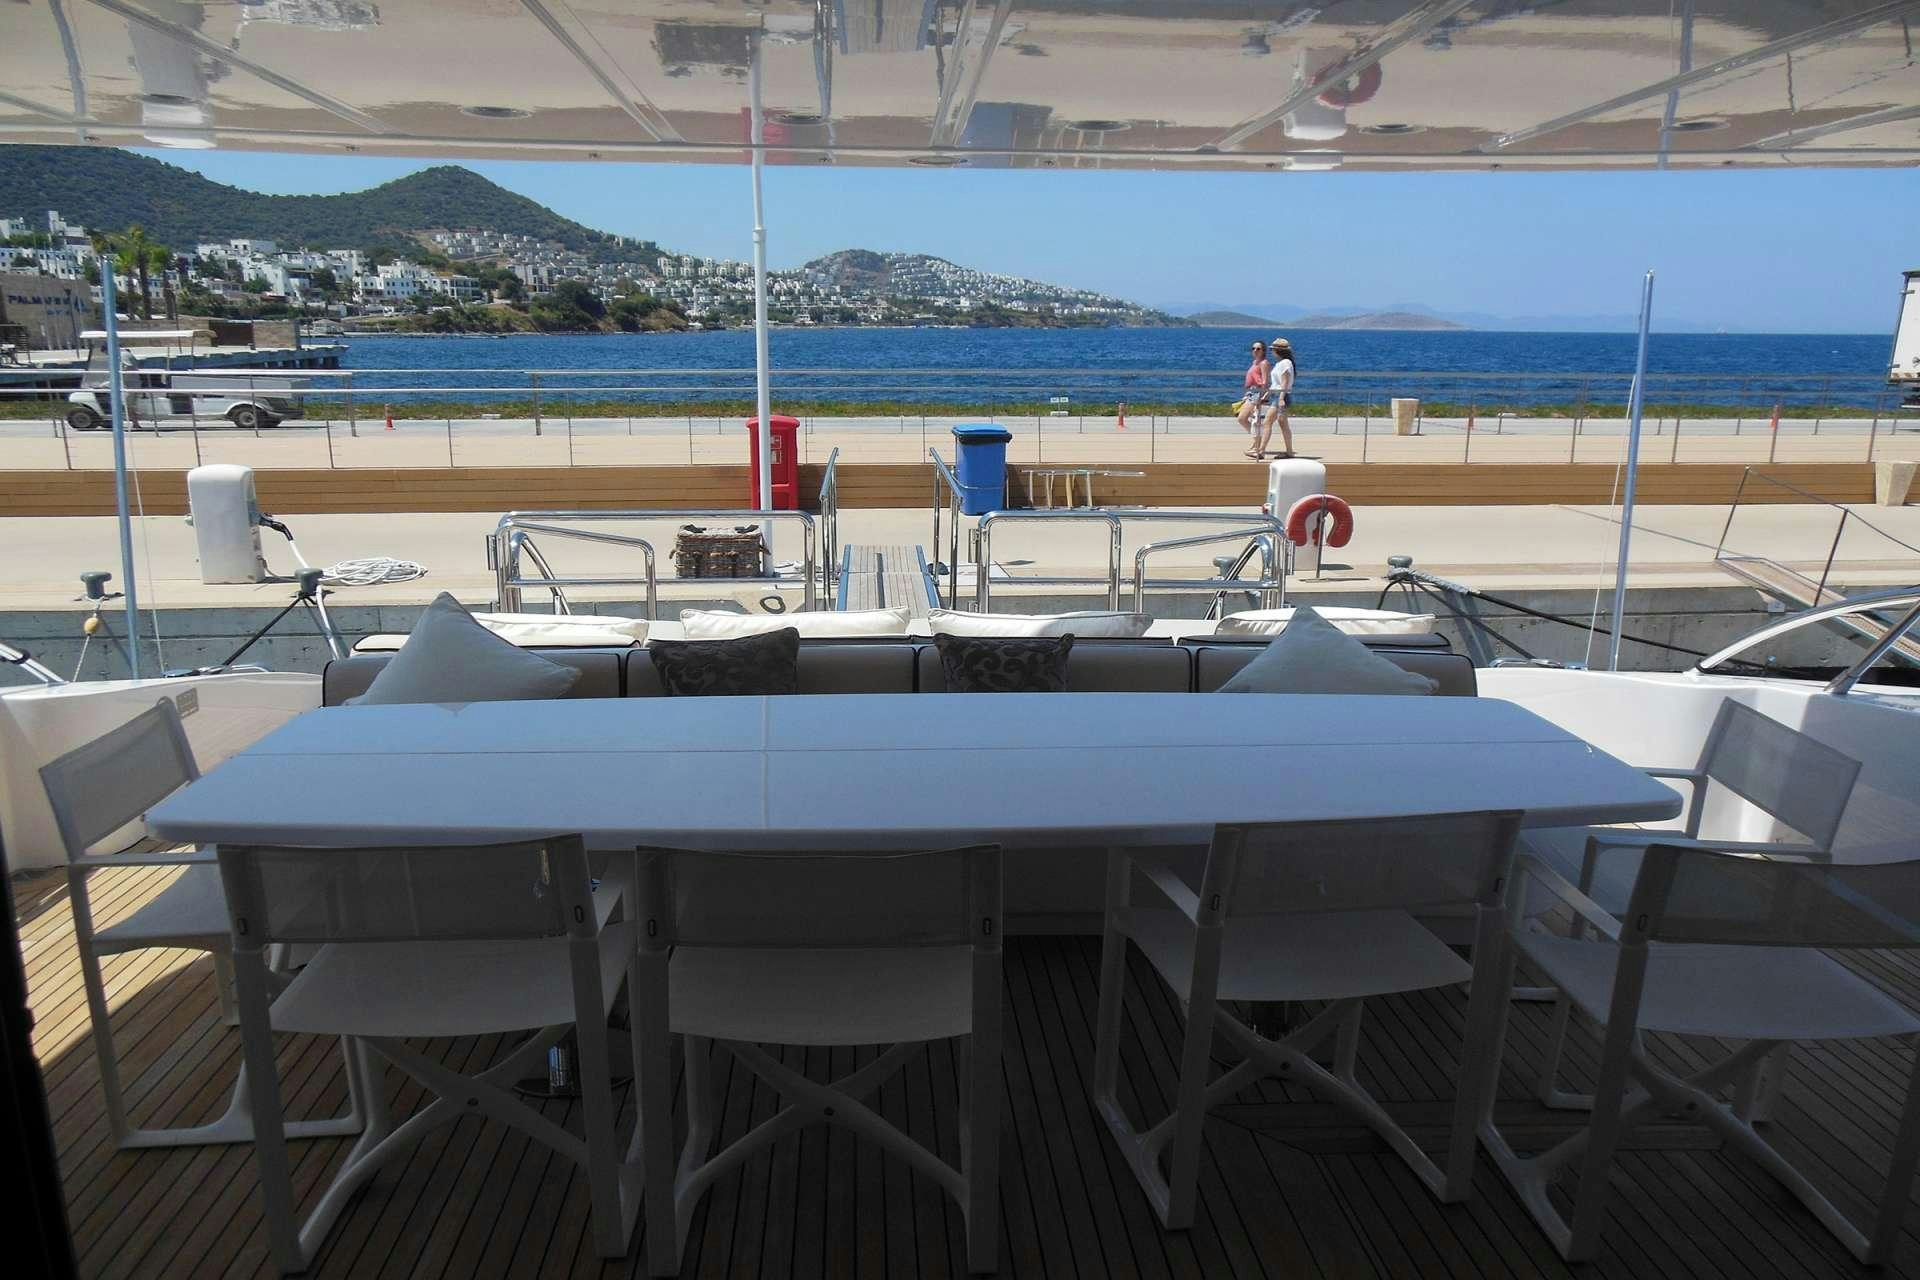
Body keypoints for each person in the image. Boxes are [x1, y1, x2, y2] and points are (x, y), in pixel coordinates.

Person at [1254, 336, 1296, 459]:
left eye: (1272, 350)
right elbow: (1275, 384)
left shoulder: (1285, 363)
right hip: (1277, 396)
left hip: (1280, 396)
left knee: (1268, 422)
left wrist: (1281, 398)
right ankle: (1289, 452)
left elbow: (1284, 382)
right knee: (1283, 425)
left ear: (1278, 351)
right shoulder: (1281, 363)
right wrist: (1266, 395)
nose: (1271, 352)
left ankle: (1261, 451)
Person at [1235, 340, 1268, 447]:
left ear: (1263, 351)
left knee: (1243, 418)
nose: (1255, 351)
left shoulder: (1264, 363)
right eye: (1253, 348)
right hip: (1251, 393)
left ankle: (1258, 441)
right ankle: (1257, 440)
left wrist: (1261, 397)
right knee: (1245, 419)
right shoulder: (1255, 363)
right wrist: (1246, 395)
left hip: (1257, 393)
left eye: (1258, 349)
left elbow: (1265, 382)